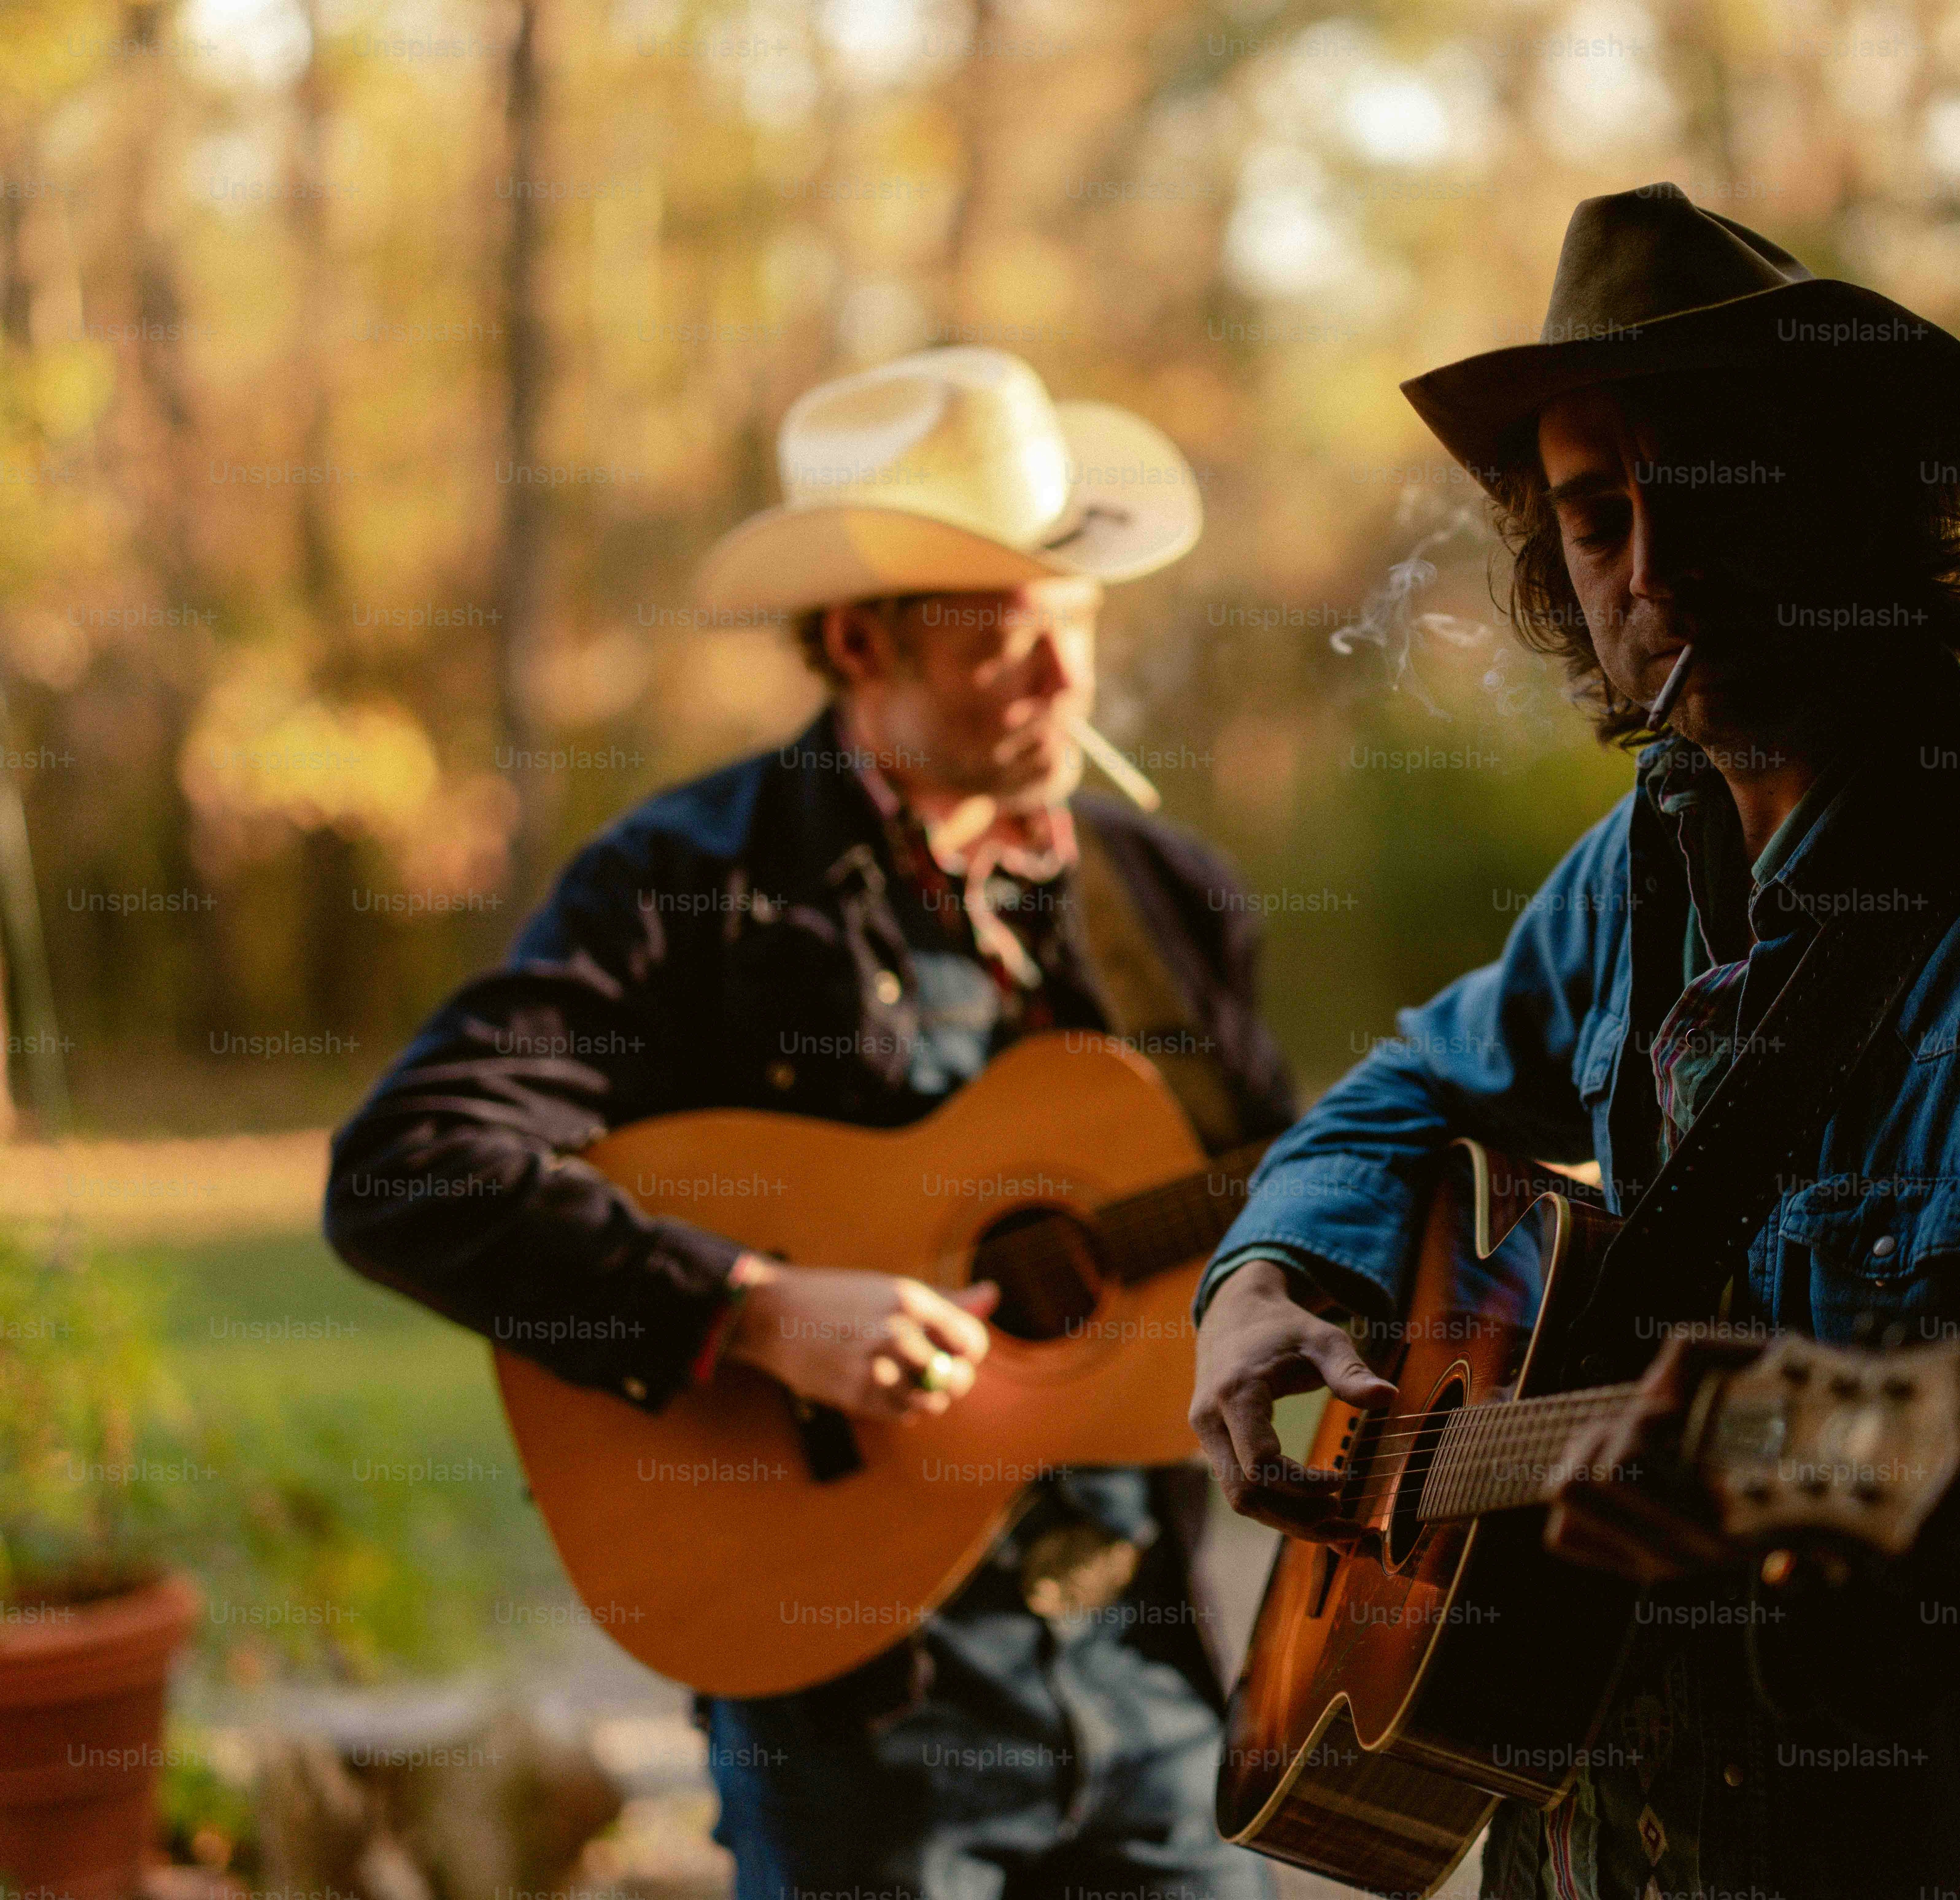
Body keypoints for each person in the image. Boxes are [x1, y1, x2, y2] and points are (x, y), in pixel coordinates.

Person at [1189, 185, 1960, 1897]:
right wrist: (1262, 1280)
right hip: (1586, 1842)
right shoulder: (1640, 859)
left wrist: (1811, 1502)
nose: (1658, 572)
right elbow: (1405, 1092)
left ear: (1860, 498)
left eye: (1721, 486)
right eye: (1597, 521)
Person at [326, 347, 1289, 1900]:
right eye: (1006, 640)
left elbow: (1288, 1205)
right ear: (857, 641)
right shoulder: (687, 887)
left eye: (1079, 626)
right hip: (857, 1721)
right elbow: (408, 1171)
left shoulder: (1167, 899)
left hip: (1153, 1677)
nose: (1064, 680)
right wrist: (752, 1310)